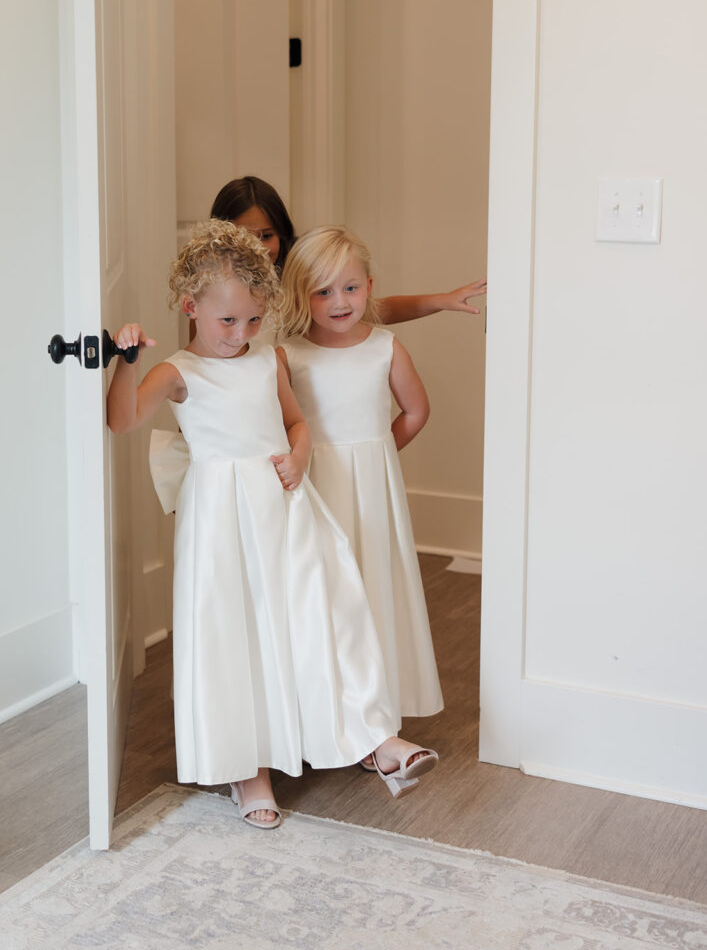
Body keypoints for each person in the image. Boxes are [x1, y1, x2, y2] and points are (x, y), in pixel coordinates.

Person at [106, 219, 438, 829]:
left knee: (328, 612)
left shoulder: (266, 362)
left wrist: (302, 453)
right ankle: (247, 768)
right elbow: (123, 419)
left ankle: (370, 733)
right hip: (221, 519)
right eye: (227, 321)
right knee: (236, 632)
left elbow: (296, 423)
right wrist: (125, 361)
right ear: (191, 308)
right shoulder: (178, 372)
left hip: (285, 506)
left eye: (254, 320)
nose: (242, 334)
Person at [277, 226, 445, 773]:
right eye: (322, 291)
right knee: (322, 597)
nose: (339, 302)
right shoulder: (290, 355)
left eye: (349, 288)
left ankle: (375, 721)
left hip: (372, 490)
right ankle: (322, 714)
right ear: (300, 296)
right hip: (315, 489)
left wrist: (376, 453)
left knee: (373, 588)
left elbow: (415, 411)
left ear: (369, 286)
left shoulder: (385, 347)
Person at [210, 174, 487, 317]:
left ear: (282, 233)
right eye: (244, 237)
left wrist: (441, 300)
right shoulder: (209, 291)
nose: (257, 249)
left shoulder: (299, 281)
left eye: (266, 236)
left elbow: (374, 310)